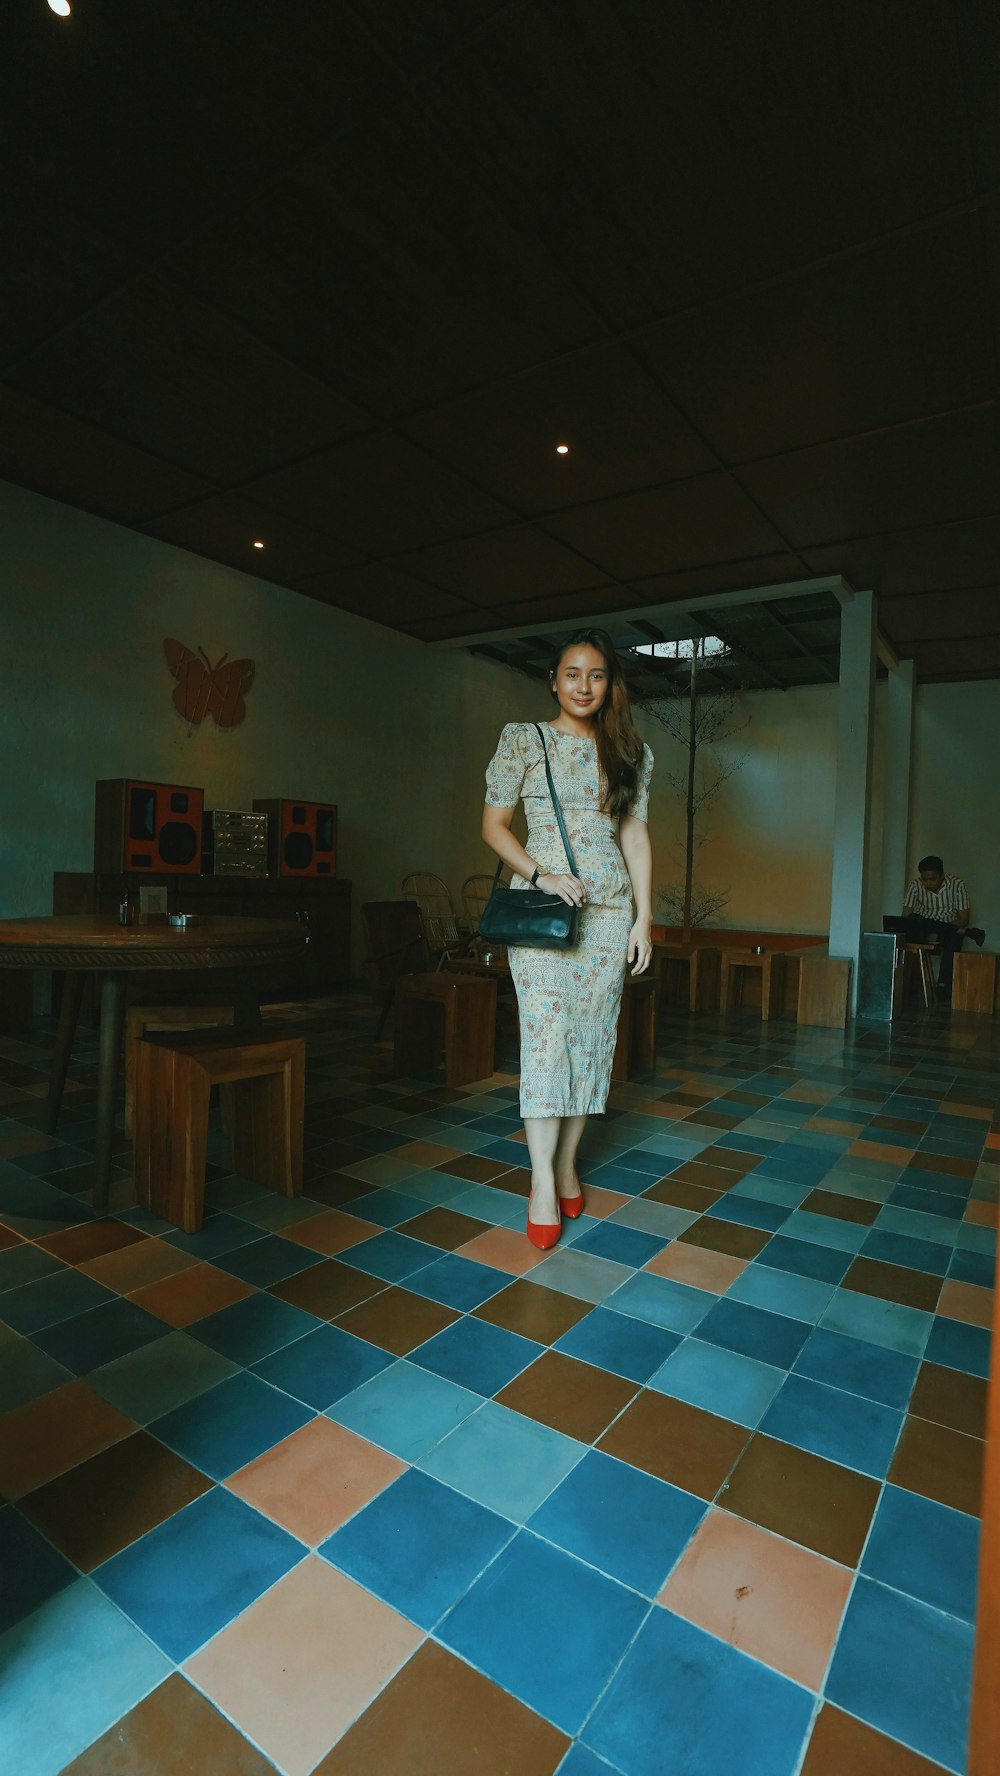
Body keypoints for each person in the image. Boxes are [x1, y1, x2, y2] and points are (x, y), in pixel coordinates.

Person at [482, 628, 653, 1248]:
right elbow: (494, 825)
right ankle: (540, 1183)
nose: (584, 686)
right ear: (553, 680)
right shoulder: (524, 740)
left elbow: (633, 836)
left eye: (597, 675)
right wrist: (541, 873)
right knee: (547, 1044)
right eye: (572, 673)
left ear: (610, 686)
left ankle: (566, 1164)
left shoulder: (630, 751)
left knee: (591, 1043)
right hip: (543, 915)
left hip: (608, 918)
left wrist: (643, 918)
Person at [899, 854, 985, 999]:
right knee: (917, 920)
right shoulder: (915, 885)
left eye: (932, 879)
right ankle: (970, 933)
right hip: (923, 928)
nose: (928, 883)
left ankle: (943, 986)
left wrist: (938, 930)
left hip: (949, 929)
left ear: (942, 876)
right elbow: (905, 918)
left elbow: (963, 919)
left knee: (954, 937)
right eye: (924, 879)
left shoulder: (957, 884)